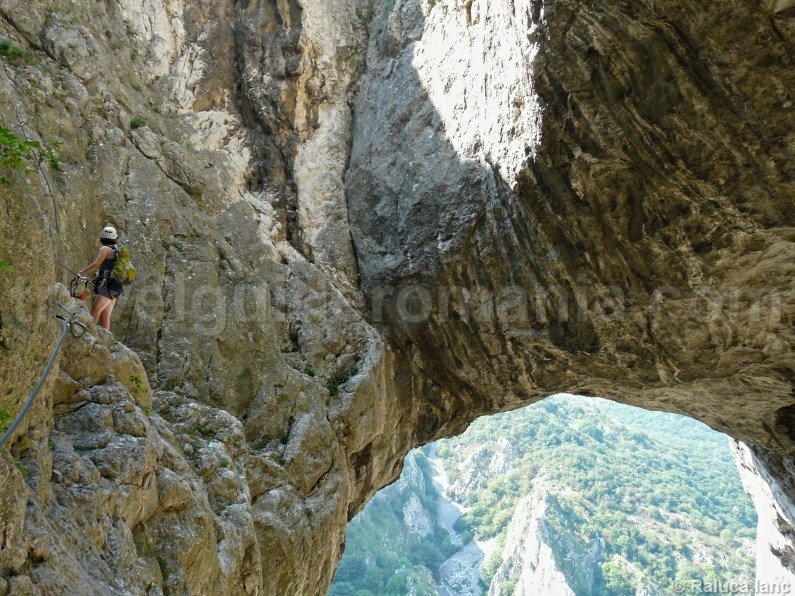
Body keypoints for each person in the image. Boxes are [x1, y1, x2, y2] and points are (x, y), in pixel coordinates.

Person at [76, 226, 124, 330]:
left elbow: (96, 264)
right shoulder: (118, 250)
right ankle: (105, 341)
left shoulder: (105, 249)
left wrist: (81, 272)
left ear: (102, 237)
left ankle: (89, 334)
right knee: (105, 316)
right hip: (117, 286)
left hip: (107, 287)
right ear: (115, 237)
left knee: (95, 311)